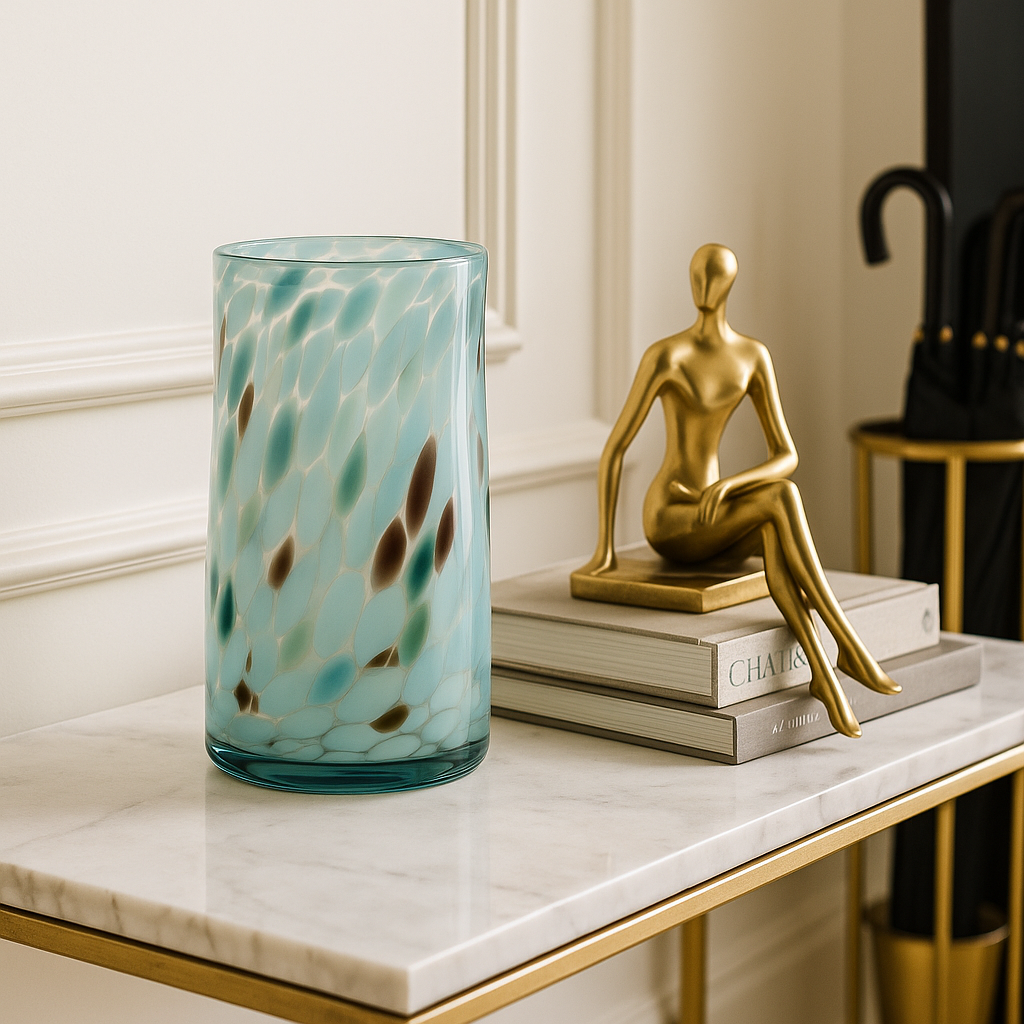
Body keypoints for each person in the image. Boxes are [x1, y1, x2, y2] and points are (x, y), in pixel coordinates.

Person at [578, 243, 900, 738]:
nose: (703, 287)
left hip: (717, 509)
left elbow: (786, 453)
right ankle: (848, 646)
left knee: (778, 517)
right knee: (781, 498)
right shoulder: (668, 354)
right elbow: (616, 448)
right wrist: (603, 550)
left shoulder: (752, 356)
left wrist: (731, 483)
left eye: (714, 278)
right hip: (672, 515)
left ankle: (823, 673)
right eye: (697, 277)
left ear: (729, 285)